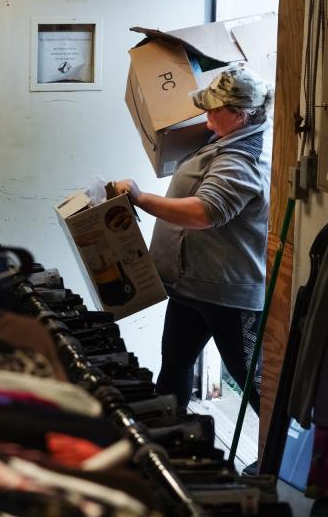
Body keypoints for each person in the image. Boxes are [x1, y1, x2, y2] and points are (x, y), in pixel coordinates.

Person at [116, 66, 273, 415]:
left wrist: (141, 199)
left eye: (213, 109)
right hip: (192, 284)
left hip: (226, 292)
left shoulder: (243, 159)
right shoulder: (226, 137)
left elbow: (204, 213)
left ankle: (283, 463)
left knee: (252, 379)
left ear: (240, 113)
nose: (205, 116)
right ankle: (168, 438)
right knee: (173, 364)